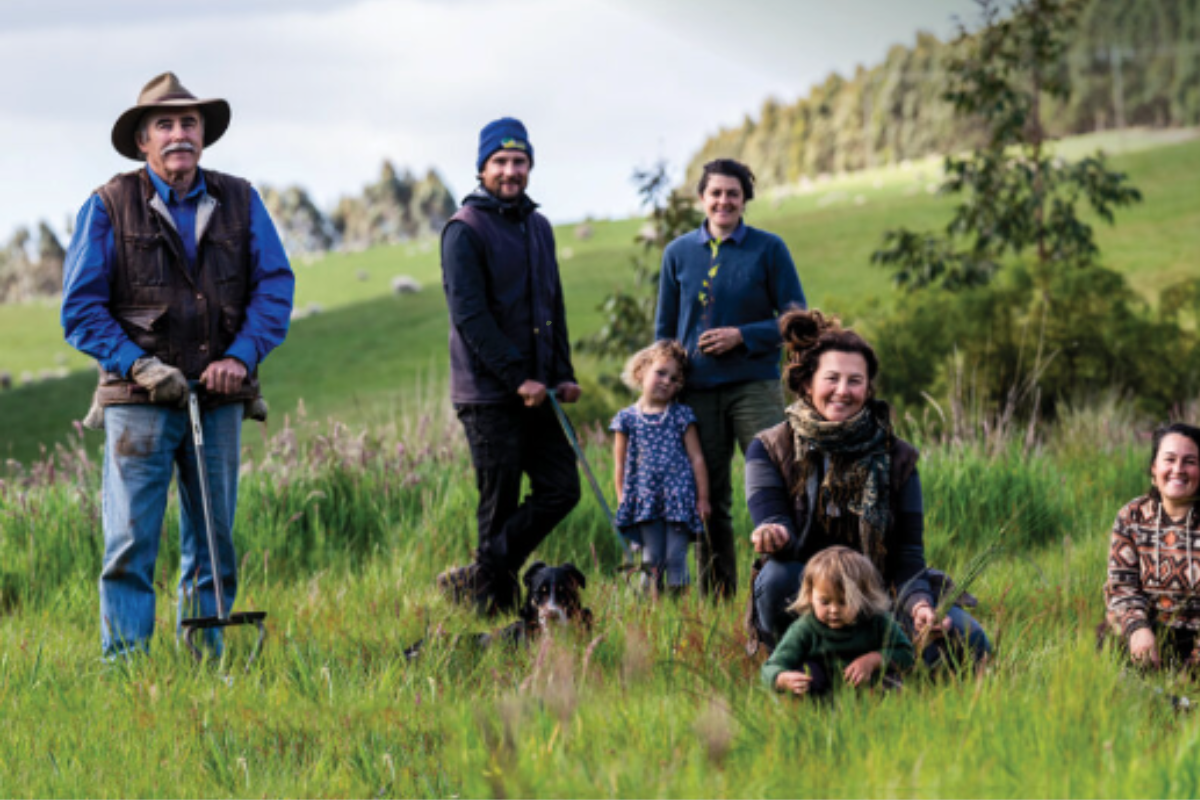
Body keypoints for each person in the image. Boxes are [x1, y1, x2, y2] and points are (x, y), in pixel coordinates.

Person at [60, 72, 295, 657]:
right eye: (164, 125)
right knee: (130, 541)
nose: (179, 135)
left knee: (214, 536)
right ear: (143, 140)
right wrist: (138, 365)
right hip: (138, 401)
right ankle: (128, 669)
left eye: (189, 123)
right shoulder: (108, 206)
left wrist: (240, 357)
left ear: (203, 136)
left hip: (217, 398)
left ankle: (206, 658)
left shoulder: (240, 199)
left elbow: (275, 286)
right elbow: (80, 309)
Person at [746, 309, 992, 667]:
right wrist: (773, 532)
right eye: (832, 379)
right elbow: (772, 516)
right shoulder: (770, 447)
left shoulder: (898, 457)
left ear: (868, 388)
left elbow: (908, 557)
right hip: (810, 594)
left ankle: (874, 656)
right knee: (776, 577)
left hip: (877, 593)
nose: (843, 391)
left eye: (855, 381)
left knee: (971, 644)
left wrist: (921, 606)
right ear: (808, 384)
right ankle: (799, 661)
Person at [437, 117, 582, 616]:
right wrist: (515, 377)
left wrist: (562, 373)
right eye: (500, 161)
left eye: (519, 161)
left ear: (530, 166)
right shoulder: (464, 230)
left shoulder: (538, 226)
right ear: (482, 168)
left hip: (540, 389)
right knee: (496, 506)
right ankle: (493, 613)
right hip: (488, 395)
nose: (510, 170)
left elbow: (553, 305)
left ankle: (479, 575)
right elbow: (470, 317)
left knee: (563, 488)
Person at [655, 158, 806, 600]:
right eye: (716, 193)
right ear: (702, 198)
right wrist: (662, 386)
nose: (724, 200)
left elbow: (797, 319)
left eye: (733, 193)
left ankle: (785, 589)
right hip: (695, 393)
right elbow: (664, 331)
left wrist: (745, 335)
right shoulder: (677, 253)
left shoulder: (769, 249)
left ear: (745, 200)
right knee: (709, 499)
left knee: (779, 483)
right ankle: (718, 597)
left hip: (754, 385)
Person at [610, 340, 710, 595]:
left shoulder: (681, 416)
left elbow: (697, 458)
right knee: (652, 557)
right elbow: (619, 464)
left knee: (676, 556)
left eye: (675, 379)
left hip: (678, 499)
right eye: (661, 373)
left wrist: (703, 498)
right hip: (645, 500)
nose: (667, 381)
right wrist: (623, 499)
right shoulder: (627, 419)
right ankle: (650, 609)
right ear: (641, 371)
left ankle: (677, 611)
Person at [1105, 423, 1200, 669]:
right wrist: (1138, 629)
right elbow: (1122, 588)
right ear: (1154, 468)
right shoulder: (1131, 517)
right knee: (1110, 633)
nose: (1178, 470)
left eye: (1189, 461)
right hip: (1151, 628)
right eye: (1169, 459)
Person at [762, 546, 915, 697]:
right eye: (825, 602)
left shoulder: (877, 621)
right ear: (810, 596)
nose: (834, 610)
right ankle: (812, 712)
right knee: (807, 671)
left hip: (867, 688)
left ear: (863, 597)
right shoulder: (805, 628)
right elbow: (771, 666)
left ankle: (879, 713)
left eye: (843, 602)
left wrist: (873, 660)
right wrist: (781, 679)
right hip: (822, 693)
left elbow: (906, 654)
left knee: (892, 681)